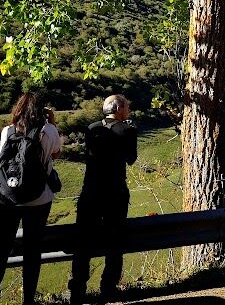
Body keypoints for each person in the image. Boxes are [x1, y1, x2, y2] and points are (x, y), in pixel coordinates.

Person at [0, 93, 62, 305]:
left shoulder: (8, 131)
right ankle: (28, 301)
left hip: (5, 199)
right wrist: (51, 123)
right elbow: (55, 154)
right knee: (32, 251)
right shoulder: (49, 131)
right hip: (38, 199)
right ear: (40, 111)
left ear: (17, 109)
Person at [69, 94, 138, 304]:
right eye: (126, 106)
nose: (128, 109)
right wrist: (130, 130)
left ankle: (78, 289)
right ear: (118, 108)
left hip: (90, 191)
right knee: (115, 241)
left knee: (83, 242)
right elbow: (131, 159)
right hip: (114, 192)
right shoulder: (127, 130)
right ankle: (108, 287)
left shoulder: (91, 128)